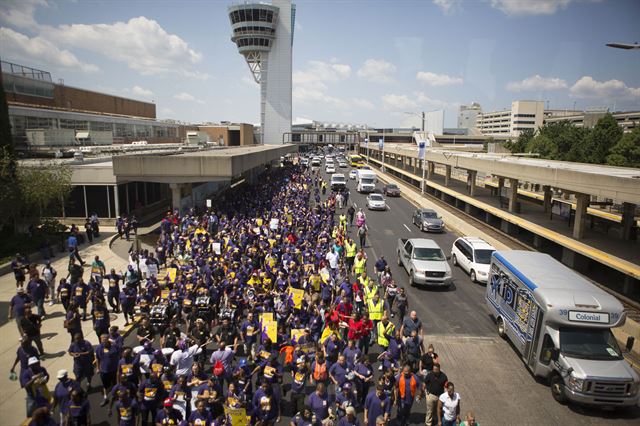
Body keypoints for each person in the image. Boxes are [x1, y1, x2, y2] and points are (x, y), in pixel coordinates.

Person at [95, 333, 120, 407]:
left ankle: (117, 396)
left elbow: (119, 354)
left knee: (116, 384)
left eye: (105, 339)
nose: (104, 340)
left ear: (108, 339)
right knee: (105, 386)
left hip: (114, 369)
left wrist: (114, 343)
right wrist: (98, 368)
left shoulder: (114, 347)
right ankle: (106, 398)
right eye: (102, 339)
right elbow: (97, 359)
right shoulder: (98, 348)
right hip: (104, 370)